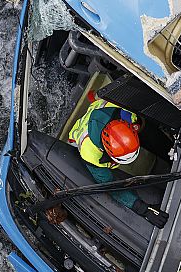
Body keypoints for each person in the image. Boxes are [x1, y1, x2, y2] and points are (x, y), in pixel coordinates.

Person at [68, 93, 168, 228]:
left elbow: (147, 123)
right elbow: (110, 185)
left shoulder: (126, 114)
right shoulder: (89, 153)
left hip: (102, 107)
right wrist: (143, 209)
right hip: (78, 133)